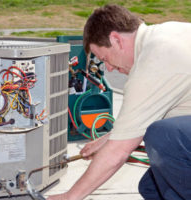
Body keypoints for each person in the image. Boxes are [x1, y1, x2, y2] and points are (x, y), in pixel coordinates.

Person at [48, 4, 191, 200]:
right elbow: (145, 116)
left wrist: (70, 196)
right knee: (153, 187)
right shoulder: (166, 34)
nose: (109, 68)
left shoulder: (154, 61)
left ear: (116, 39)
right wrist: (109, 138)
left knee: (163, 135)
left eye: (104, 58)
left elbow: (118, 152)